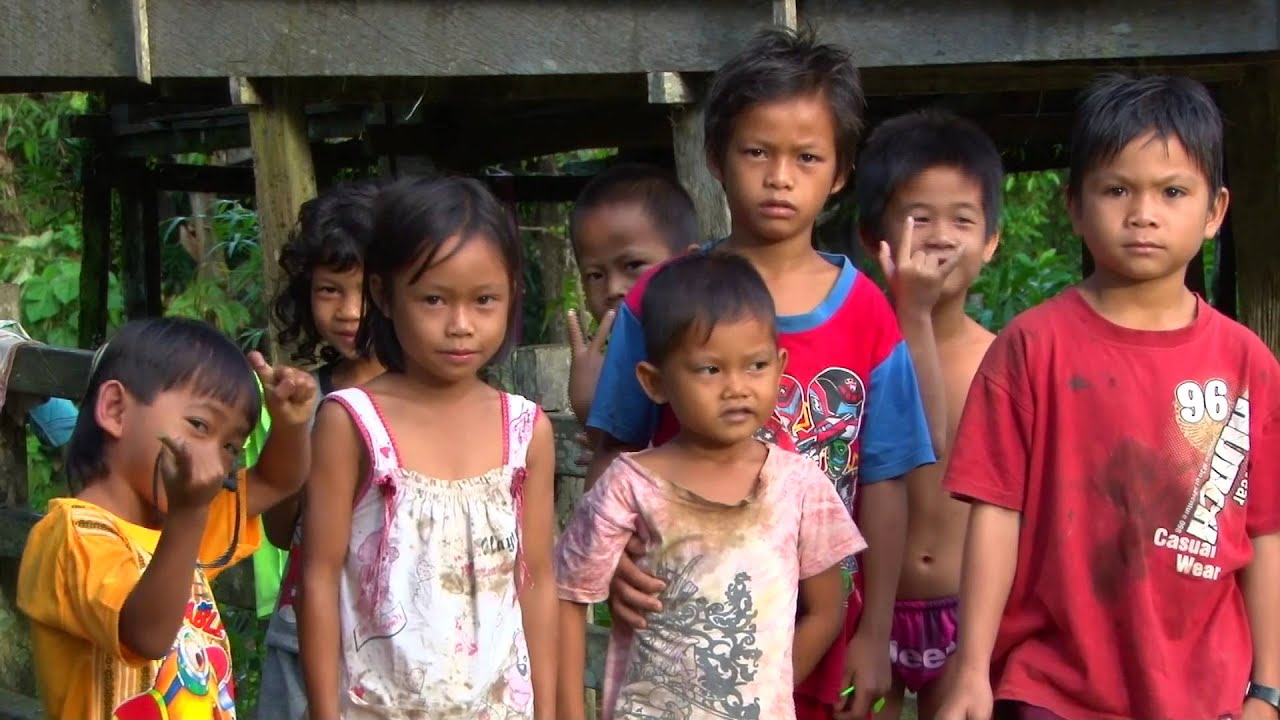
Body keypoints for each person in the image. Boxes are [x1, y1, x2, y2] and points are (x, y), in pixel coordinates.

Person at [584, 26, 940, 720]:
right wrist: (616, 557)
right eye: (756, 151)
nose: (780, 176)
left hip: (818, 628)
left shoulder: (867, 314)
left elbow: (886, 484)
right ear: (715, 157)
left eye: (807, 157)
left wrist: (875, 632)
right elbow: (616, 446)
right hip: (682, 632)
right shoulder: (659, 299)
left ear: (840, 172)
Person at [937, 74, 1280, 720]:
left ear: (1215, 211)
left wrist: (1268, 688)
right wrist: (973, 668)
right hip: (1053, 686)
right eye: (1117, 189)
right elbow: (994, 517)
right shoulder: (1030, 348)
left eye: (1172, 191)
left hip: (1207, 692)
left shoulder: (1248, 365)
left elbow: (1265, 535)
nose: (1143, 213)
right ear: (1075, 206)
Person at [556, 252, 865, 719]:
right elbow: (568, 595)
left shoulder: (799, 486)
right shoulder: (630, 486)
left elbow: (826, 612)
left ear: (780, 367)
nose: (737, 387)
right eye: (710, 370)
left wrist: (769, 692)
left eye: (756, 365)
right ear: (654, 382)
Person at [299, 176, 558, 719]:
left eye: (484, 300)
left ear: (512, 294)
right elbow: (318, 578)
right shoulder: (352, 423)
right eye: (434, 299)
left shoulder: (525, 430)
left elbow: (535, 581)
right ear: (384, 295)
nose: (460, 325)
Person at [16, 317, 317, 720]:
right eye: (199, 425)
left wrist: (292, 426)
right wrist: (188, 514)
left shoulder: (179, 521)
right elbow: (147, 636)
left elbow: (277, 481)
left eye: (230, 447)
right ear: (116, 409)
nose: (215, 461)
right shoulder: (71, 536)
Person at [852, 109, 1003, 718]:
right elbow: (916, 441)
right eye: (919, 218)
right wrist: (909, 314)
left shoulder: (1002, 360)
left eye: (962, 220)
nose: (940, 236)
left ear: (991, 242)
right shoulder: (855, 354)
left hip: (967, 617)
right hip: (866, 609)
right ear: (874, 237)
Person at [258, 178, 387, 720]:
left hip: (397, 649)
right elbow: (279, 531)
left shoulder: (431, 402)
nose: (349, 311)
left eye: (365, 291)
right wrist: (292, 432)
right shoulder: (306, 395)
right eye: (330, 290)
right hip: (301, 635)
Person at [565, 162, 700, 470]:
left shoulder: (712, 349)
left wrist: (591, 408)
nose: (614, 288)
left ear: (688, 263)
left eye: (633, 265)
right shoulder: (609, 363)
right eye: (595, 275)